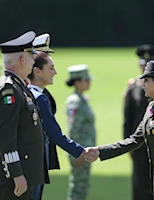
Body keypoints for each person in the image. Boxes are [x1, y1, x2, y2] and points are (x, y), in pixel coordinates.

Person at [85, 61, 154, 200]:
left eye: (147, 80)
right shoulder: (152, 108)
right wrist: (100, 151)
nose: (143, 84)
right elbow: (134, 140)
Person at [0, 31, 47, 200]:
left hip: (23, 173)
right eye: (31, 55)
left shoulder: (17, 86)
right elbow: (5, 136)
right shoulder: (9, 89)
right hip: (15, 178)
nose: (34, 60)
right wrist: (16, 173)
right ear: (22, 60)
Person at [28, 35, 86, 200]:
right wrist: (81, 152)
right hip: (34, 163)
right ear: (37, 70)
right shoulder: (37, 97)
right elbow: (54, 133)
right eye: (51, 67)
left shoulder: (32, 93)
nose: (55, 72)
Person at [124, 44, 154, 200]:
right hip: (139, 145)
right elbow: (128, 118)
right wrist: (128, 144)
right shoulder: (133, 88)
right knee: (139, 187)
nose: (145, 67)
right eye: (143, 64)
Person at [65, 64, 96, 200]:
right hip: (80, 152)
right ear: (77, 82)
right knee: (78, 186)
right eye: (86, 79)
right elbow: (73, 129)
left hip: (85, 152)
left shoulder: (82, 99)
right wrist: (76, 153)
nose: (88, 82)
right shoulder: (75, 102)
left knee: (82, 186)